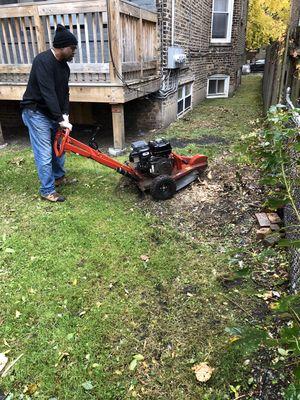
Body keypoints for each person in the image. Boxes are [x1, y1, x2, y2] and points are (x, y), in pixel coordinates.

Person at [21, 24, 77, 202]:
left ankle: (59, 177)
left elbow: (64, 93)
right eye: (72, 48)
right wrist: (60, 118)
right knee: (45, 152)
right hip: (35, 112)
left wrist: (65, 114)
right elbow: (48, 93)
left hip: (52, 113)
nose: (74, 52)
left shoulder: (64, 67)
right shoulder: (42, 61)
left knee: (59, 148)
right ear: (62, 47)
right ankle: (47, 190)